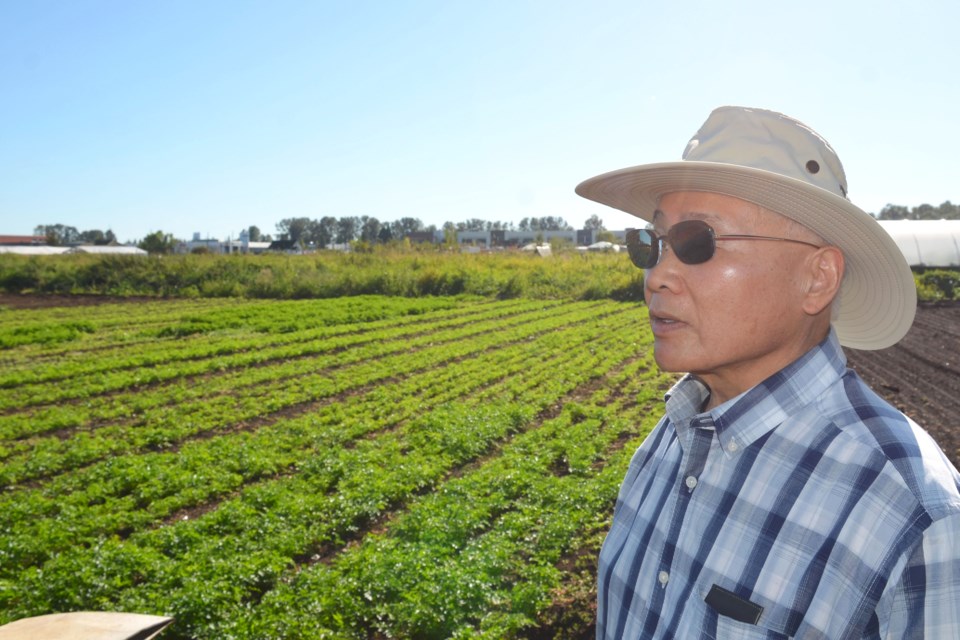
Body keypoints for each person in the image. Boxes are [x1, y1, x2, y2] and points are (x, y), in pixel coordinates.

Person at [575, 106, 960, 639]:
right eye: (652, 244)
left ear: (817, 277)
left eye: (697, 242)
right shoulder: (671, 435)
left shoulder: (911, 512)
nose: (657, 275)